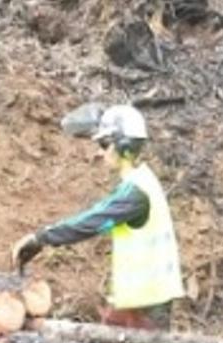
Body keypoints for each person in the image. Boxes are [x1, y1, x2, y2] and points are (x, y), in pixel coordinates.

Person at [11, 105, 185, 330]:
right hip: (141, 299)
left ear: (123, 146)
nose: (100, 152)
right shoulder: (142, 181)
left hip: (146, 304)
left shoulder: (136, 193)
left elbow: (91, 222)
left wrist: (41, 238)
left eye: (104, 145)